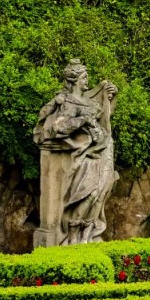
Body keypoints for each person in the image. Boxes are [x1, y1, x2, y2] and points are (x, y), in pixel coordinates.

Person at [34, 59, 119, 245]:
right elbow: (59, 127)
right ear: (74, 81)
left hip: (102, 153)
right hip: (84, 157)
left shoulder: (89, 102)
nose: (86, 81)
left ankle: (87, 236)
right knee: (87, 194)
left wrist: (110, 98)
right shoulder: (69, 103)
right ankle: (73, 237)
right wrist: (84, 120)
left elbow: (104, 118)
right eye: (83, 77)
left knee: (99, 195)